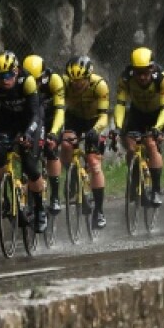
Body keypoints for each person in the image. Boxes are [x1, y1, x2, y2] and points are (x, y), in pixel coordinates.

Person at [0, 51, 47, 230]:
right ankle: (4, 200)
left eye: (8, 75)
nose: (4, 80)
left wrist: (29, 135)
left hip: (29, 119)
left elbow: (35, 115)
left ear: (16, 72)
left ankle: (39, 209)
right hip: (7, 118)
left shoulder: (27, 81)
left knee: (30, 166)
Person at [112, 47, 164, 207]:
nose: (142, 77)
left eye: (146, 72)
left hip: (157, 114)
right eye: (138, 72)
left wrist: (158, 127)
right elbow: (120, 104)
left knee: (151, 144)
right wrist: (118, 127)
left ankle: (156, 190)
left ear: (152, 68)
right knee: (130, 146)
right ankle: (134, 179)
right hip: (137, 112)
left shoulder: (162, 78)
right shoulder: (125, 79)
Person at [63, 56, 111, 229]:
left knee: (93, 163)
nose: (77, 84)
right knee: (66, 143)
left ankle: (99, 211)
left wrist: (96, 130)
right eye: (73, 80)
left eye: (80, 80)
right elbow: (59, 108)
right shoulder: (64, 84)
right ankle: (71, 176)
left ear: (88, 77)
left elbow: (104, 115)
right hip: (74, 118)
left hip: (94, 121)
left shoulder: (99, 85)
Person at [22, 55, 66, 215]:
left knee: (50, 149)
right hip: (34, 120)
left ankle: (55, 195)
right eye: (32, 81)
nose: (35, 85)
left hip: (52, 119)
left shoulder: (55, 81)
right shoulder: (22, 83)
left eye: (38, 80)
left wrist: (54, 134)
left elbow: (60, 110)